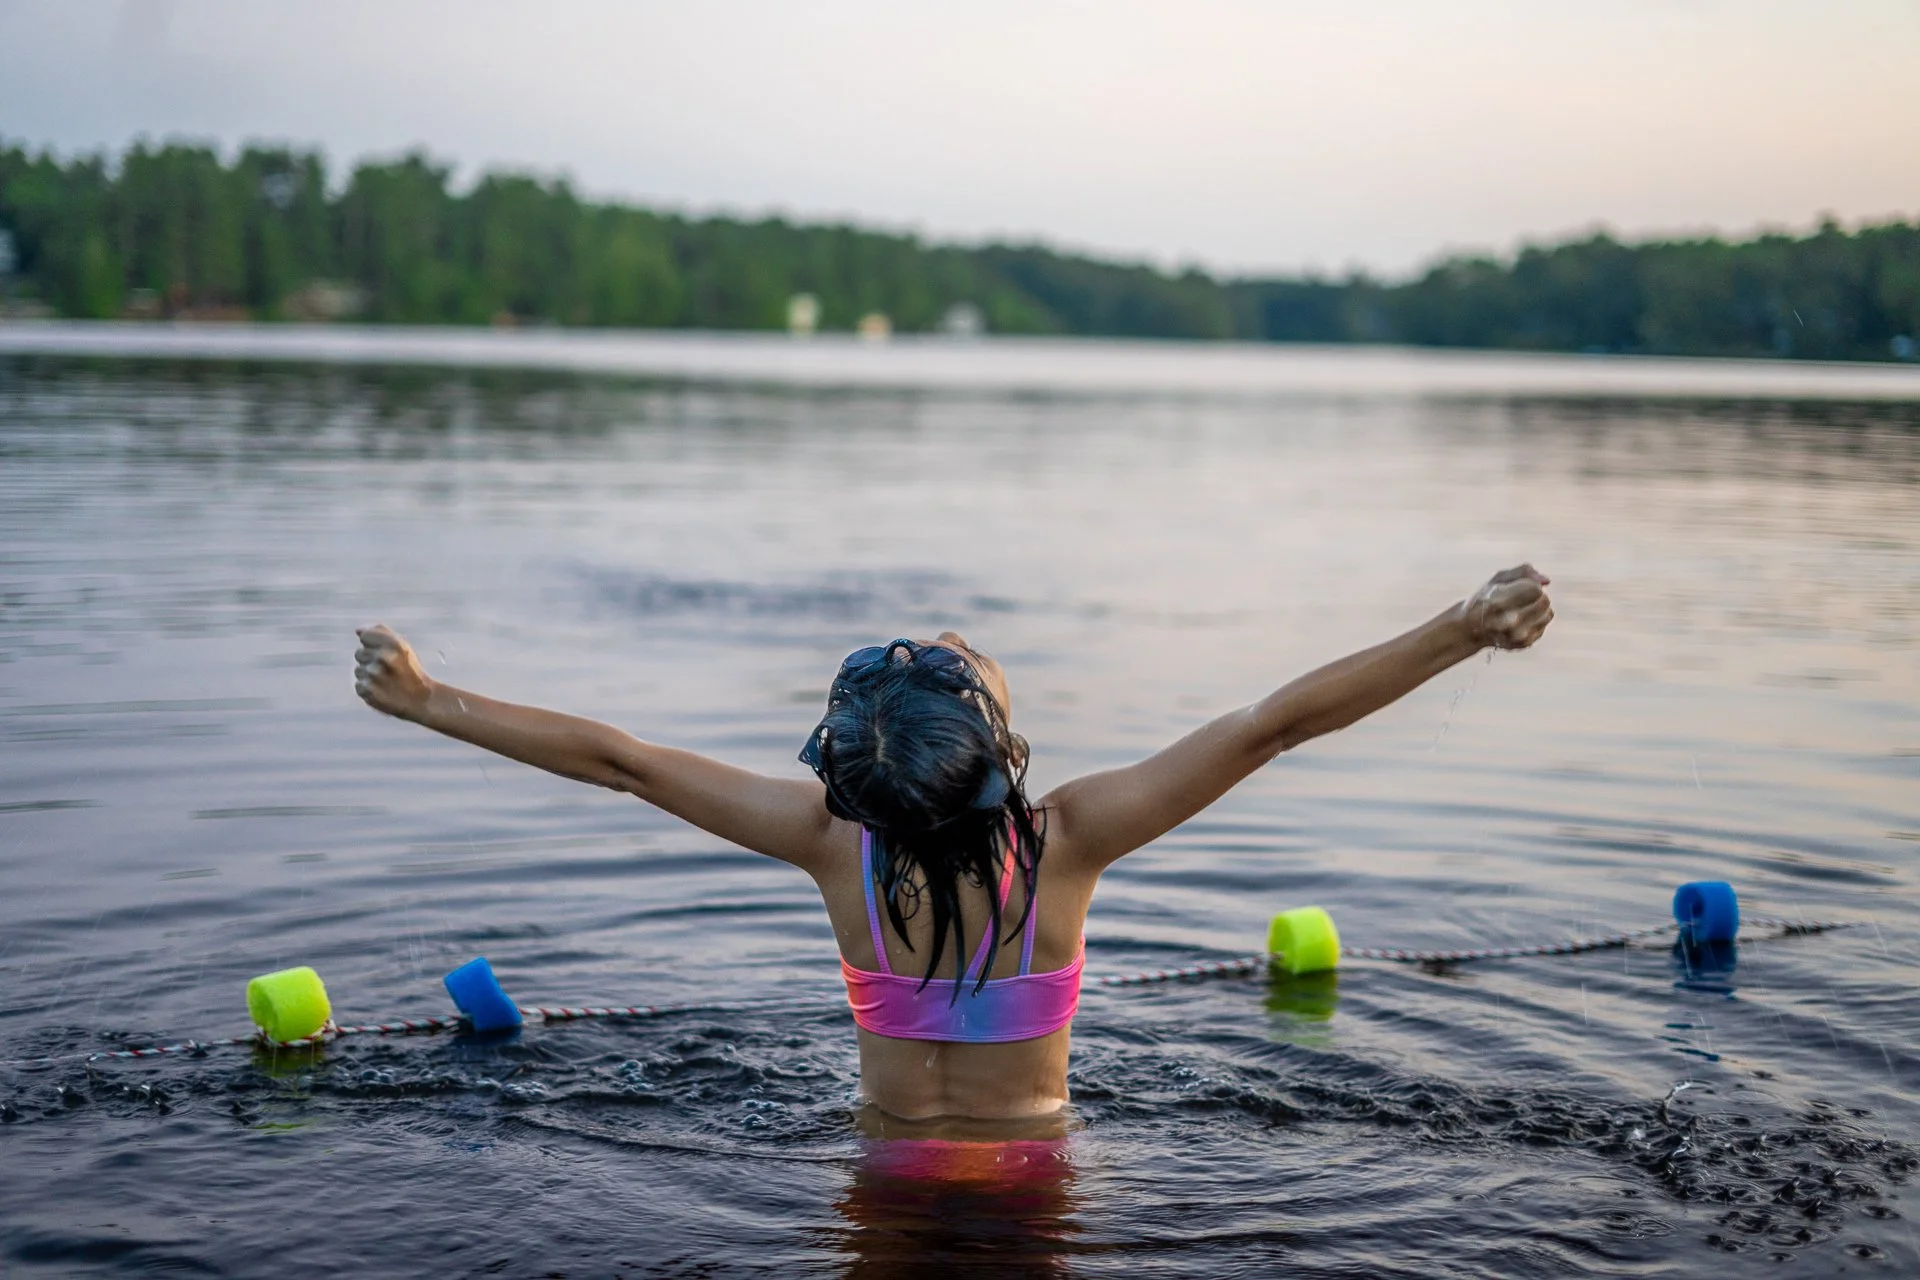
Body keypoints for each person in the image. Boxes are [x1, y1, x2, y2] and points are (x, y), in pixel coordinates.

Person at [353, 565, 1552, 1122]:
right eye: (956, 658)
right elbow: (1274, 725)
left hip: (876, 1174)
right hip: (1032, 1185)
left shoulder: (833, 842)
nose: (943, 635)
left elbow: (622, 759)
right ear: (995, 745)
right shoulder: (1070, 841)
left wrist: (428, 698)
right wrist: (1458, 629)